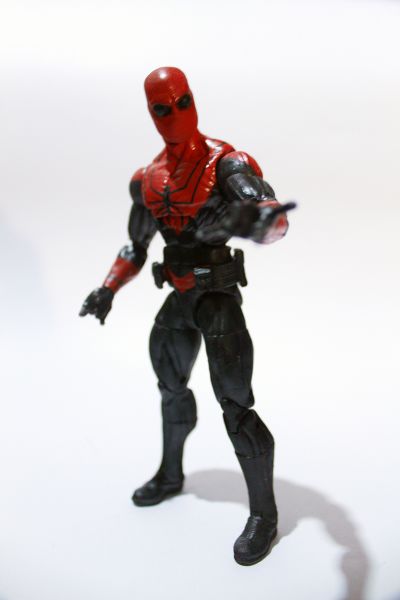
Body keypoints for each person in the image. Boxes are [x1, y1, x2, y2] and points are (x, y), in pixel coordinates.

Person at [80, 66, 295, 566]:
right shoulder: (147, 180)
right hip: (178, 298)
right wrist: (107, 288)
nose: (175, 114)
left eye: (183, 102)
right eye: (163, 108)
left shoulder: (227, 163)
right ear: (151, 114)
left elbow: (274, 222)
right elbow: (136, 245)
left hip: (217, 297)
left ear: (193, 100)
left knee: (236, 406)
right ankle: (171, 474)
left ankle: (264, 514)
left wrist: (256, 219)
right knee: (170, 387)